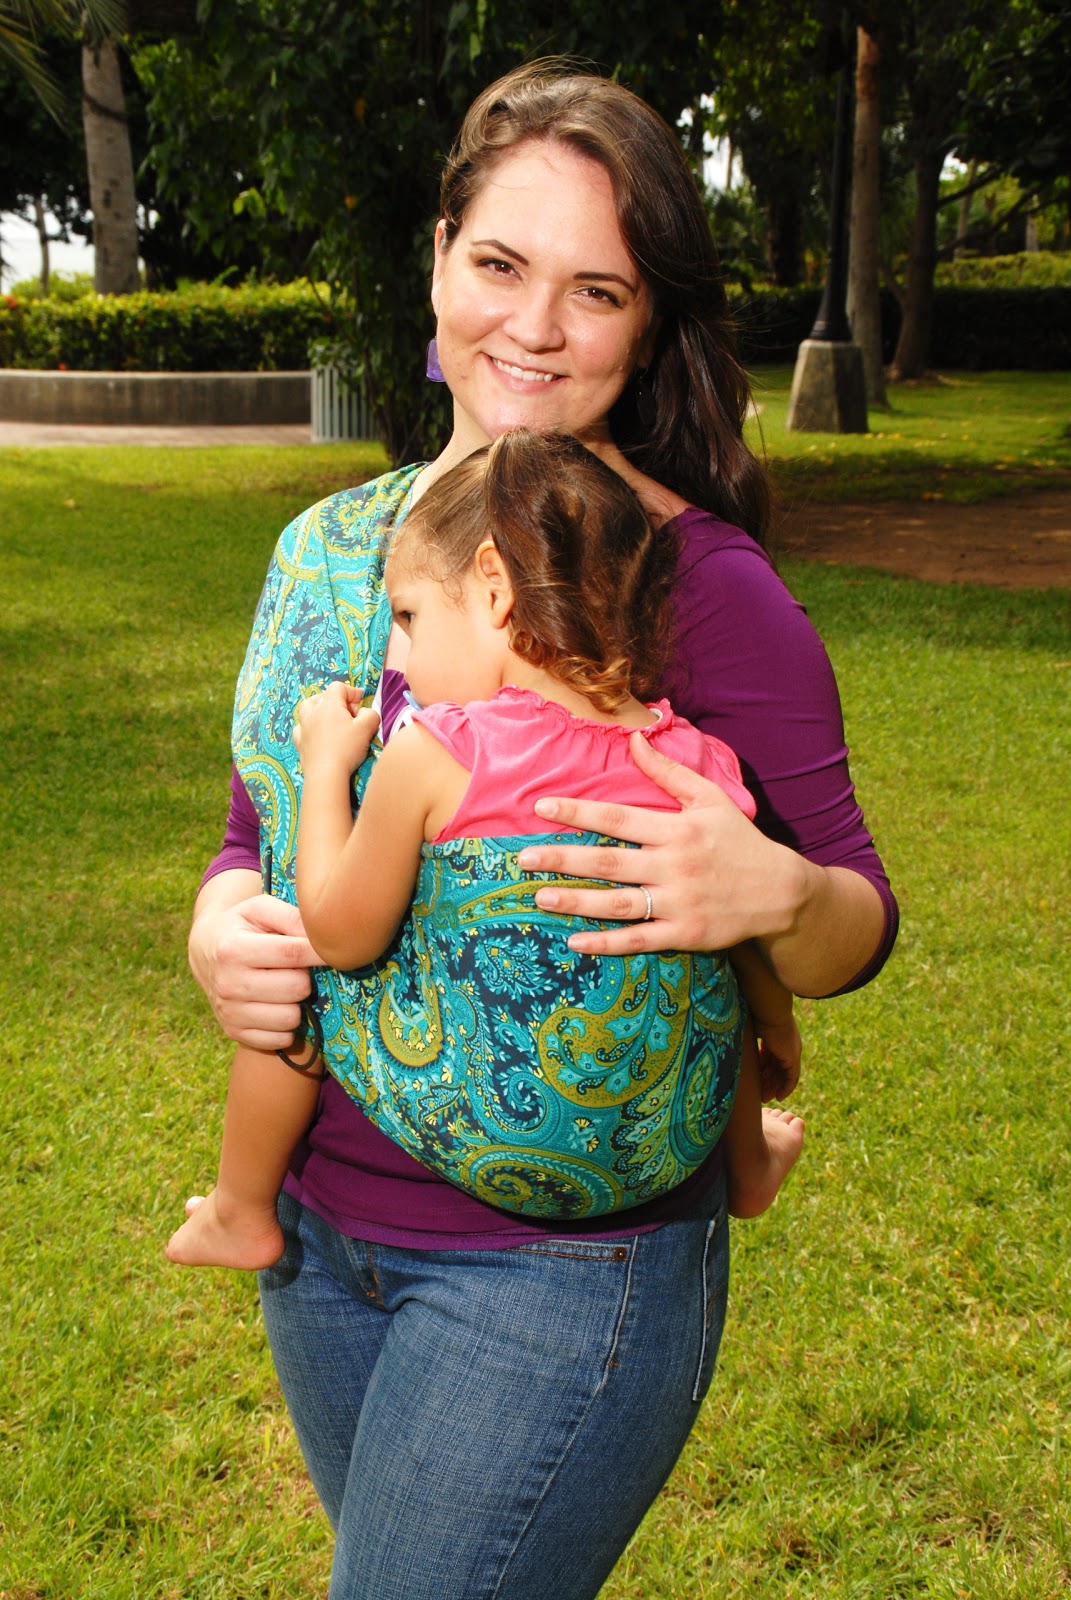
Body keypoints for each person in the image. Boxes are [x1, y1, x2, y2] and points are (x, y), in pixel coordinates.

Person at [185, 60, 898, 1600]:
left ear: (645, 327)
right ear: (437, 258)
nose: (535, 326)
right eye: (500, 265)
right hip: (316, 1238)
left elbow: (854, 925)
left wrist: (770, 891)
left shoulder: (691, 586)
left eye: (596, 290)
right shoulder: (325, 549)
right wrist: (216, 925)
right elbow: (252, 832)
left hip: (562, 1283)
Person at [167, 430, 804, 1271]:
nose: (401, 650)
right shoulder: (692, 757)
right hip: (657, 1151)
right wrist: (776, 1022)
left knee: (294, 965)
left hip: (485, 1121)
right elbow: (745, 938)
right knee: (704, 967)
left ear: (495, 589)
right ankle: (749, 1167)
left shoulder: (442, 751)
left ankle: (240, 1208)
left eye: (410, 616)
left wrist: (324, 769)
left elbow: (339, 931)